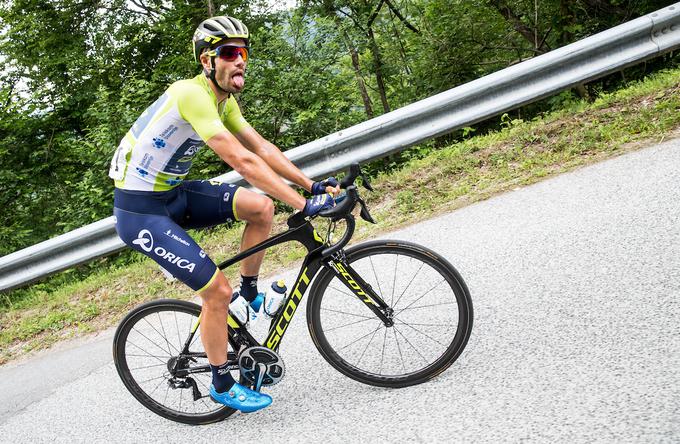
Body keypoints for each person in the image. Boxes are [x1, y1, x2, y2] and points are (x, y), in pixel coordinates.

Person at [109, 15, 340, 414]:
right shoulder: (191, 93)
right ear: (206, 61)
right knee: (215, 292)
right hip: (140, 211)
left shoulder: (224, 99)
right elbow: (242, 161)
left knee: (260, 206)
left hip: (173, 194)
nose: (240, 61)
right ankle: (221, 382)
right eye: (230, 53)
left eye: (244, 53)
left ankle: (249, 295)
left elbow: (261, 147)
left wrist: (311, 186)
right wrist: (303, 207)